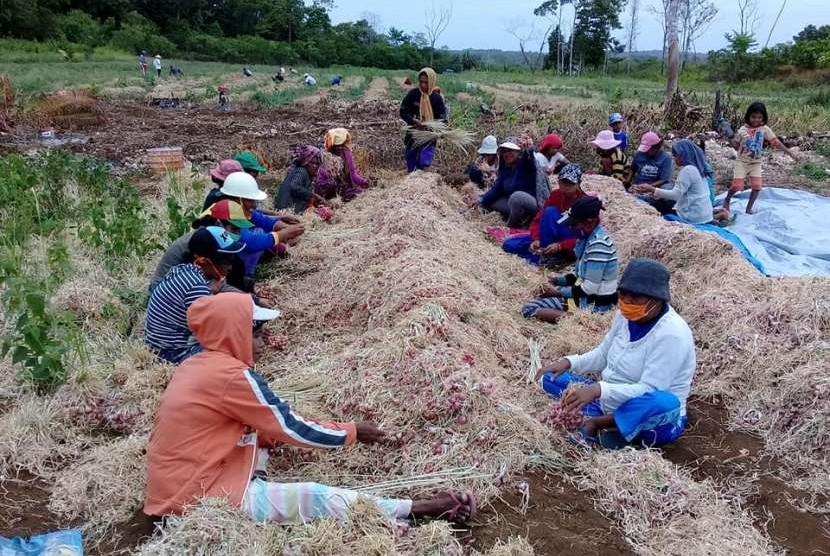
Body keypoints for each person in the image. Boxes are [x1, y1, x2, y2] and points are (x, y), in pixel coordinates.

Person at [143, 292, 477, 526]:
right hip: (193, 501)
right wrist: (352, 432)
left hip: (178, 484)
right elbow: (290, 427)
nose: (264, 340)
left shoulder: (198, 365)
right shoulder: (231, 375)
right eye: (257, 332)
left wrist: (267, 436)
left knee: (262, 444)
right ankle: (413, 509)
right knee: (313, 496)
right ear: (235, 331)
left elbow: (253, 424)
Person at [534, 259, 695, 450]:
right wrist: (569, 362)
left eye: (635, 298)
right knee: (547, 378)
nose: (626, 303)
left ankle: (597, 424)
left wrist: (598, 389)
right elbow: (603, 354)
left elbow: (650, 389)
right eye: (623, 295)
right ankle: (606, 419)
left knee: (664, 401)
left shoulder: (672, 334)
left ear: (657, 300)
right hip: (611, 400)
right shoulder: (625, 316)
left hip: (651, 417)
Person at [145, 227, 245, 364]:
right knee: (231, 344)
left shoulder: (182, 270)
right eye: (226, 261)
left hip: (156, 346)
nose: (230, 267)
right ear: (204, 261)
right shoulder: (197, 287)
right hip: (172, 354)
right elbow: (216, 328)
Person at [522, 197, 618, 323]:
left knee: (529, 308)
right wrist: (556, 280)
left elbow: (589, 288)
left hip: (593, 305)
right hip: (587, 298)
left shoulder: (598, 245)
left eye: (574, 225)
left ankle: (578, 321)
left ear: (589, 222)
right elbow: (579, 277)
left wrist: (558, 292)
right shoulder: (587, 240)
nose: (571, 229)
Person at [150, 200, 254, 293]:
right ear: (218, 223)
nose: (238, 234)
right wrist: (250, 300)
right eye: (234, 229)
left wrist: (251, 285)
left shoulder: (214, 237)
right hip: (163, 291)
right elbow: (215, 284)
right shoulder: (201, 243)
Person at [220, 172, 305, 277]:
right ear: (237, 199)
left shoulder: (238, 209)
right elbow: (250, 243)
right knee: (259, 233)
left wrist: (287, 228)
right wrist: (284, 234)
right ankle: (244, 275)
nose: (254, 205)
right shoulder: (224, 214)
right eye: (250, 200)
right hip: (223, 268)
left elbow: (263, 220)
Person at [502, 164, 588, 265]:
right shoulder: (555, 195)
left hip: (569, 240)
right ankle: (546, 252)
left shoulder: (584, 202)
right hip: (548, 236)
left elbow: (584, 236)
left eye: (571, 183)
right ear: (559, 181)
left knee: (550, 212)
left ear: (578, 184)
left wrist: (561, 245)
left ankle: (554, 255)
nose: (566, 186)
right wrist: (536, 239)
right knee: (509, 244)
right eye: (564, 182)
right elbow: (539, 219)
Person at [723, 102, 799, 215]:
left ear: (763, 118)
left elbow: (776, 143)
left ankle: (748, 208)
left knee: (757, 186)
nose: (756, 120)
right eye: (753, 117)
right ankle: (727, 199)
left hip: (756, 163)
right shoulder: (742, 130)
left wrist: (790, 153)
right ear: (748, 116)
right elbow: (736, 146)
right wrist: (729, 136)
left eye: (759, 117)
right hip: (742, 162)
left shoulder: (764, 130)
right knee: (737, 186)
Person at [632, 139, 714, 225]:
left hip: (693, 216)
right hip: (705, 214)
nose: (674, 159)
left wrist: (652, 189)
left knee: (656, 208)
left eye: (676, 156)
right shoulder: (699, 167)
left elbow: (675, 195)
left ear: (683, 155)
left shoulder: (688, 170)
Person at [476, 141, 549, 228]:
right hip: (512, 204)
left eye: (511, 151)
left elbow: (530, 159)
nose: (507, 154)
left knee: (517, 197)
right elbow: (496, 190)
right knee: (488, 201)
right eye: (504, 151)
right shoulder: (506, 169)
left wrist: (528, 149)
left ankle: (513, 225)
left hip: (530, 204)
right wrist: (480, 199)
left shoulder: (525, 164)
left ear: (519, 152)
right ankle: (510, 217)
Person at [400, 68, 447, 173]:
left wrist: (431, 126)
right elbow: (403, 111)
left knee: (424, 162)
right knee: (411, 164)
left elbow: (443, 120)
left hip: (428, 137)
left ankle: (423, 184)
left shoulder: (437, 99)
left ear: (432, 81)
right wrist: (413, 121)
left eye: (426, 82)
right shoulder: (413, 94)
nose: (423, 85)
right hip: (413, 135)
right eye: (421, 82)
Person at [315, 128, 369, 202]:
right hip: (331, 191)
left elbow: (353, 174)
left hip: (335, 190)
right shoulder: (330, 156)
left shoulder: (344, 153)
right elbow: (353, 175)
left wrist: (364, 181)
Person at [631, 132, 674, 214]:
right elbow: (633, 169)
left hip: (656, 187)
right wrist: (628, 181)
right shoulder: (639, 155)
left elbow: (664, 179)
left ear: (656, 148)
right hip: (639, 186)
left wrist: (650, 187)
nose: (646, 152)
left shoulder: (665, 158)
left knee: (669, 188)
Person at [275, 145, 327, 213]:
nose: (316, 166)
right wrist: (313, 196)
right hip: (286, 211)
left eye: (317, 164)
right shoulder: (301, 171)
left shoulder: (304, 173)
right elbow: (294, 187)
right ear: (306, 162)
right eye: (313, 163)